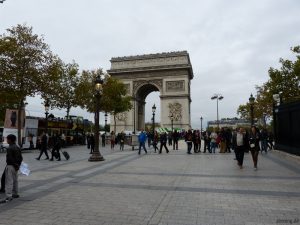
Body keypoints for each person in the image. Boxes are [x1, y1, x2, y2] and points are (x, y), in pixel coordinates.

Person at [1, 134, 23, 203]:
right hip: (16, 166)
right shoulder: (17, 147)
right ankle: (15, 193)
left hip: (10, 166)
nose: (7, 140)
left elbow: (9, 159)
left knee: (9, 181)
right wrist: (18, 165)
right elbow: (21, 158)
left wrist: (14, 164)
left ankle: (8, 196)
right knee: (15, 180)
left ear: (10, 140)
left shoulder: (10, 148)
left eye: (7, 139)